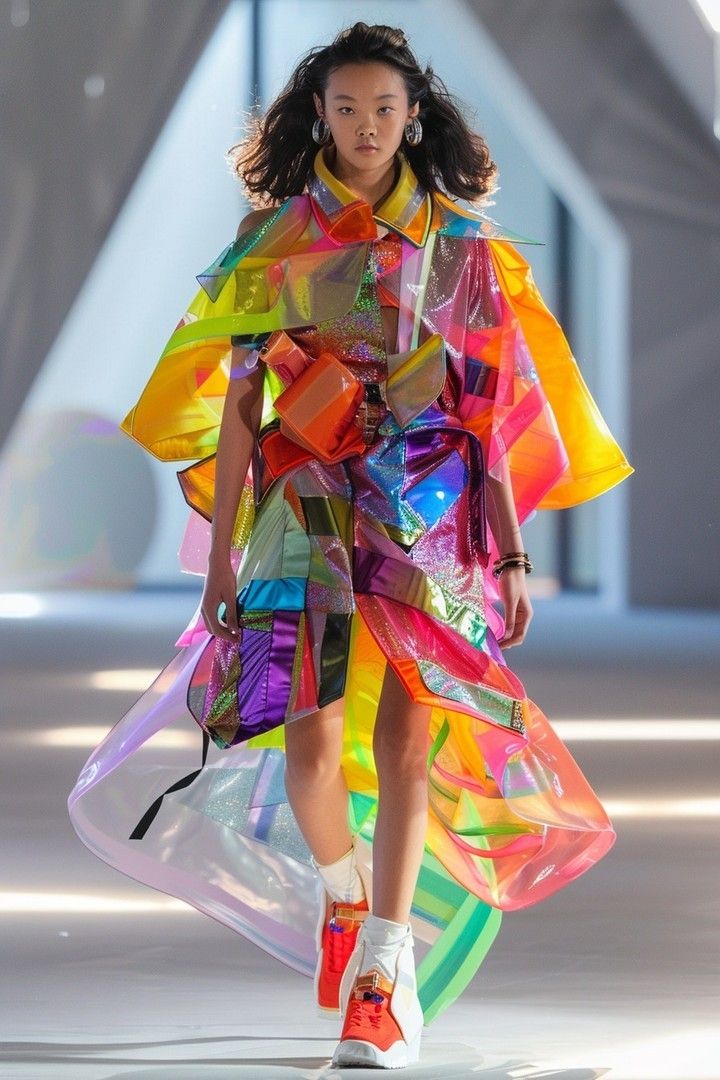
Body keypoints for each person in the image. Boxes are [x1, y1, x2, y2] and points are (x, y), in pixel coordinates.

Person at [68, 21, 633, 1071]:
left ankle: (382, 979)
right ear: (316, 117)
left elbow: (485, 415)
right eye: (346, 109)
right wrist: (226, 555)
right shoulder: (273, 241)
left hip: (433, 518)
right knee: (309, 750)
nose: (367, 128)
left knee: (413, 748)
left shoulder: (465, 253)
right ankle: (344, 896)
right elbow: (244, 404)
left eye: (384, 109)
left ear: (414, 115)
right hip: (304, 506)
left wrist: (508, 554)